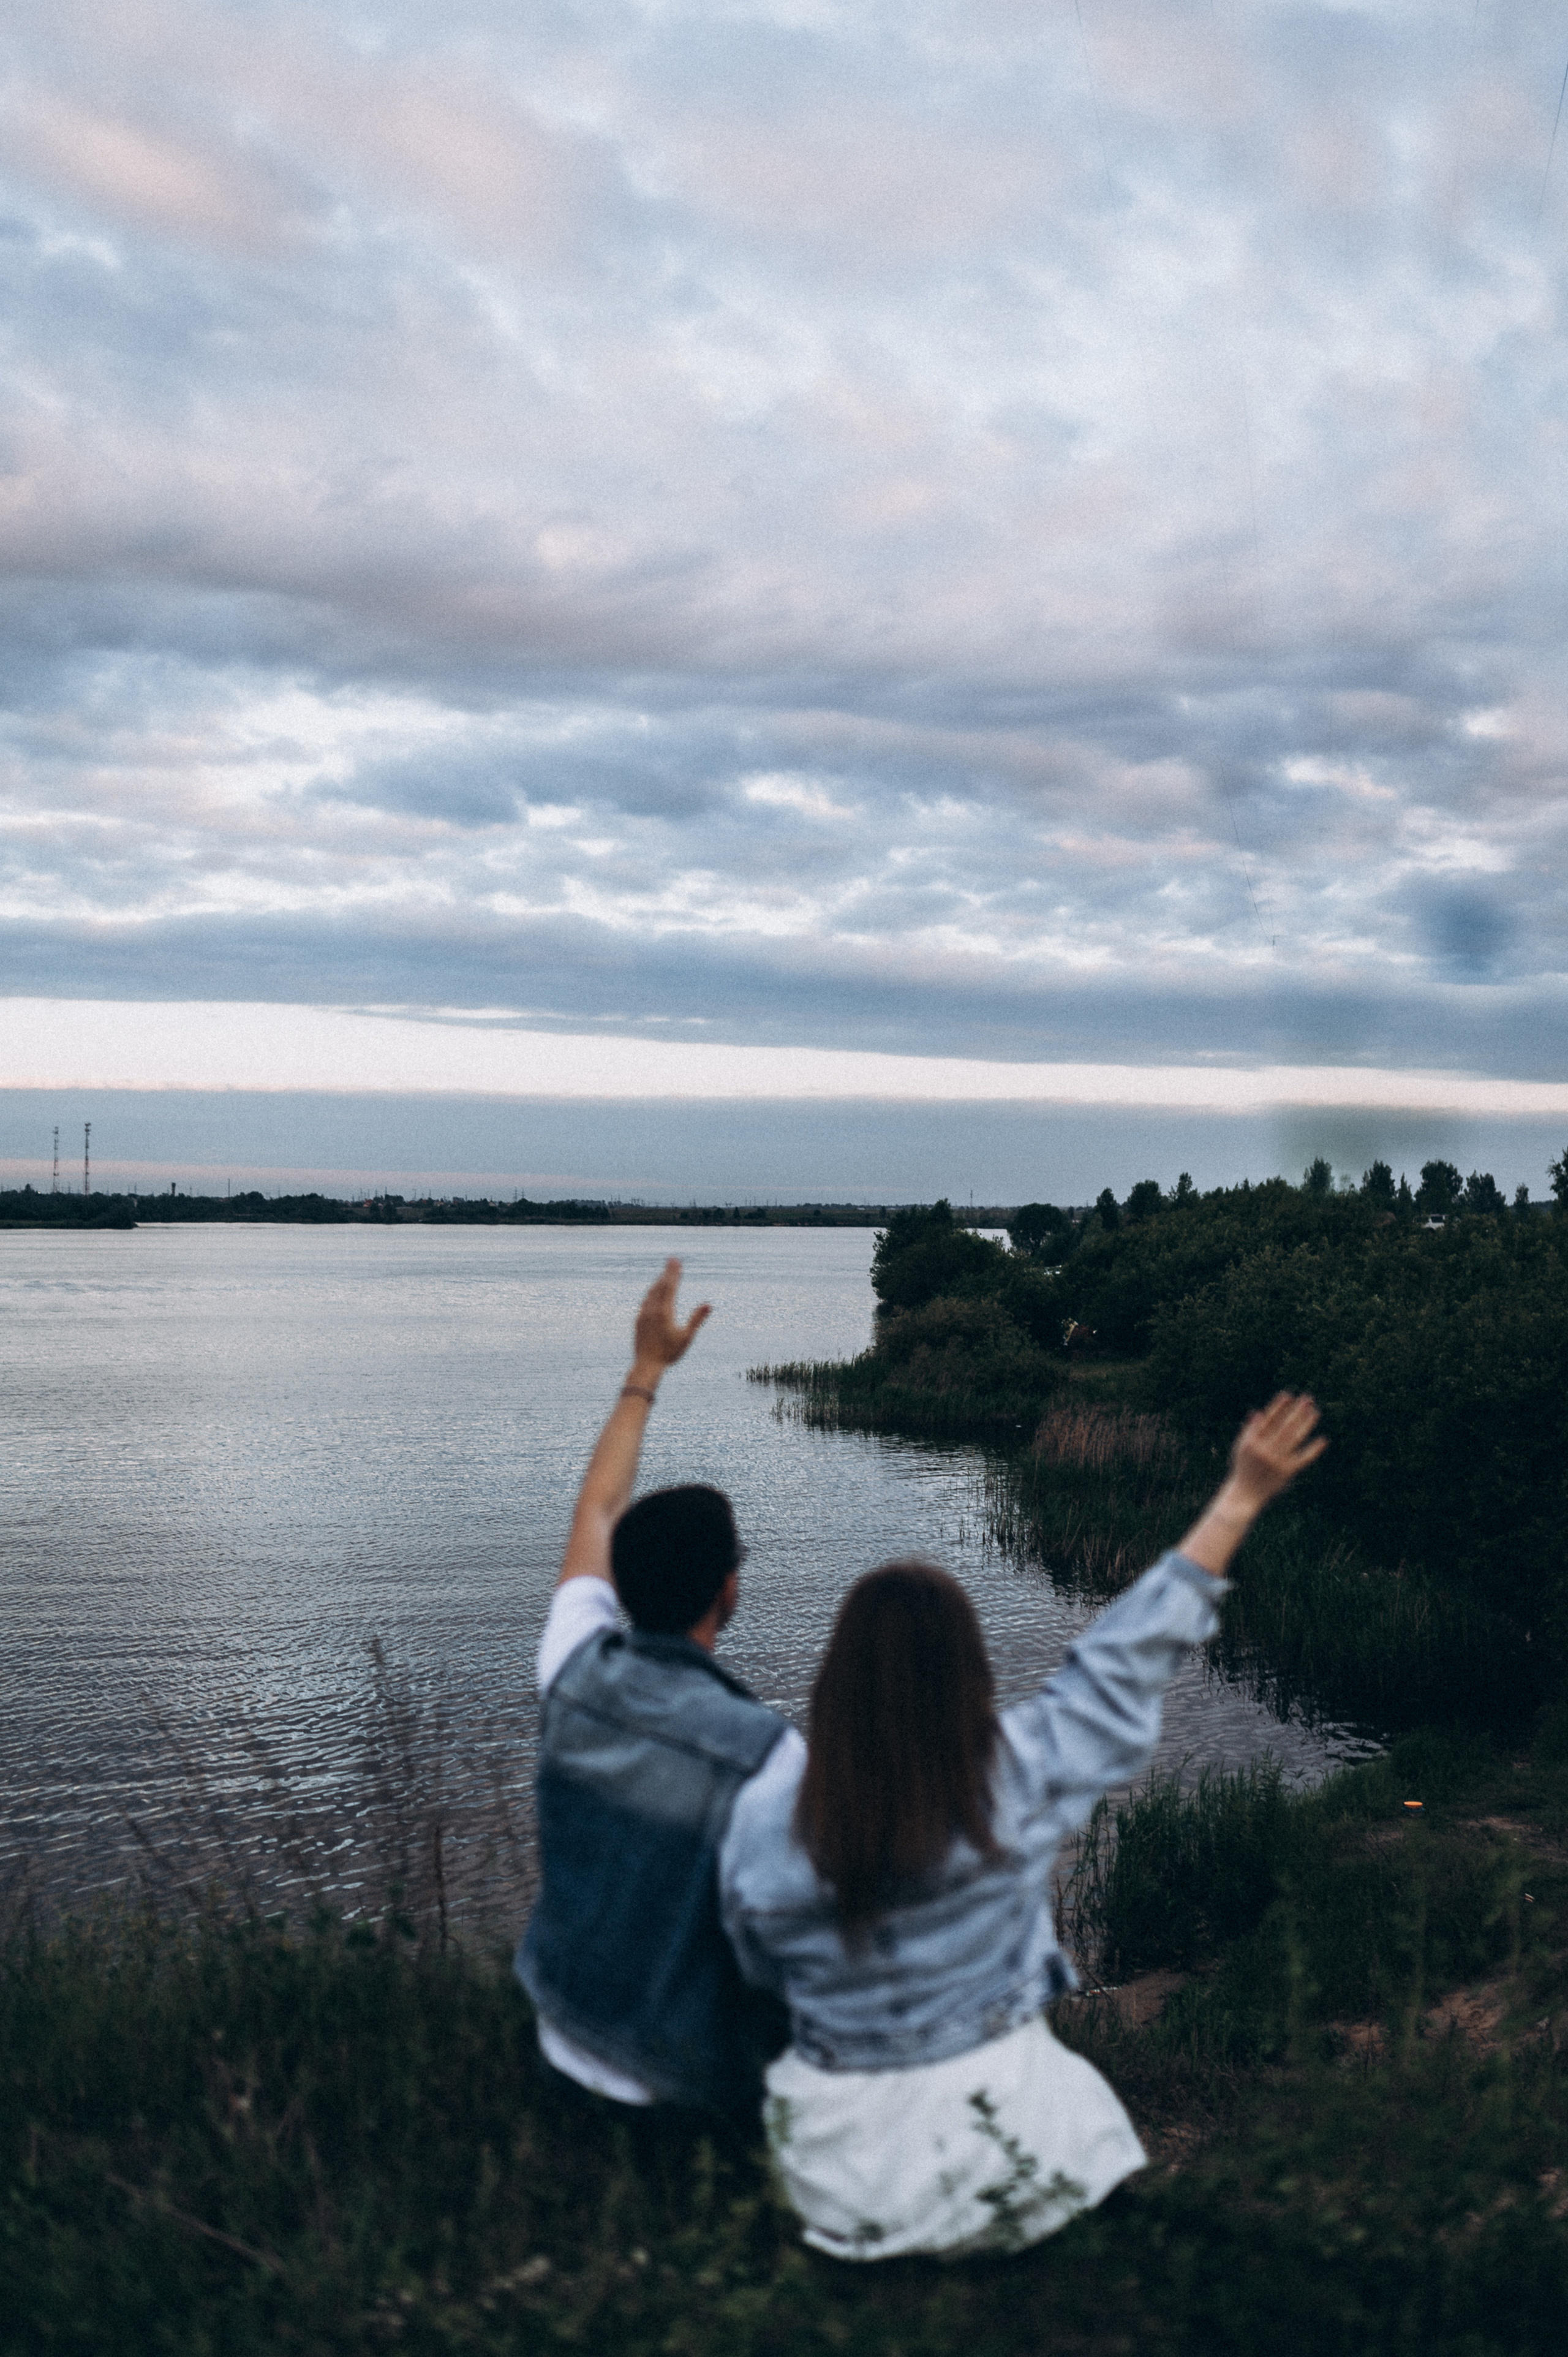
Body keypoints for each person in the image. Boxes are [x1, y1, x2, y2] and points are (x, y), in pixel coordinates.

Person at [719, 1391, 1327, 2260]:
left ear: (834, 1686)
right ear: (969, 1676)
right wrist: (1242, 1493)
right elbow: (1120, 1665)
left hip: (841, 2170)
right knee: (1077, 2122)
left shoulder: (763, 1814)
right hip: (1005, 2142)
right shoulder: (1011, 1780)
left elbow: (752, 1967)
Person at [516, 1258, 790, 2117]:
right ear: (729, 1590)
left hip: (559, 2040)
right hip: (676, 2089)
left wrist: (645, 1370)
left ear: (622, 1586)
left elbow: (597, 1513)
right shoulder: (766, 1754)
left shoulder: (573, 1669)